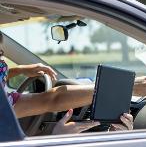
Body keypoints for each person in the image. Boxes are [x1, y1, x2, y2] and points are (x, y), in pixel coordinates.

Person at [0, 50, 133, 134]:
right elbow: (52, 99)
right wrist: (58, 138)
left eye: (1, 53)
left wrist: (20, 70)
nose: (3, 64)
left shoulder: (6, 100)